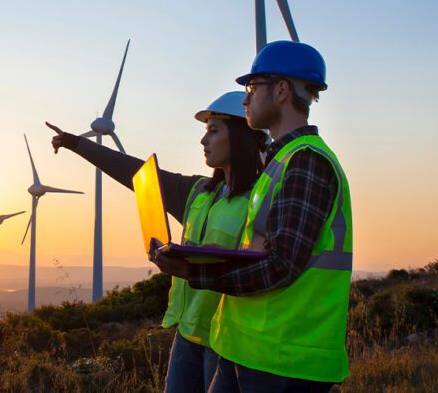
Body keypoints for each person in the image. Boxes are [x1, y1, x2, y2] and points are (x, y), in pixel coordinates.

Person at [150, 41, 353, 393]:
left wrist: (197, 273)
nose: (245, 99)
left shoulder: (306, 162)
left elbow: (281, 265)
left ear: (281, 90)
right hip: (247, 348)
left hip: (283, 359)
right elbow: (262, 250)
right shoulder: (281, 161)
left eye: (251, 87)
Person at [46, 91, 267, 392]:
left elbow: (262, 268)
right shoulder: (196, 192)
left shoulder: (262, 199)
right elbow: (137, 174)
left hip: (227, 340)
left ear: (242, 137)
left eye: (213, 131)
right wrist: (77, 143)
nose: (203, 141)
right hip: (187, 335)